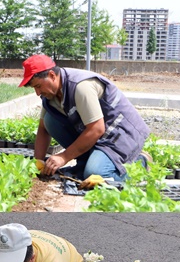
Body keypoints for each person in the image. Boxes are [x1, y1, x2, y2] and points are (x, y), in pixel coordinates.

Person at [20, 55, 151, 189]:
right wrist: (38, 161)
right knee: (49, 120)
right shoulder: (50, 94)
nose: (37, 93)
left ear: (52, 75)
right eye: (34, 88)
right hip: (98, 135)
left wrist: (64, 157)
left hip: (119, 134)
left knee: (96, 174)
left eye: (38, 86)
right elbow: (43, 128)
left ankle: (141, 163)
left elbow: (97, 129)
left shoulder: (80, 86)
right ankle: (86, 162)